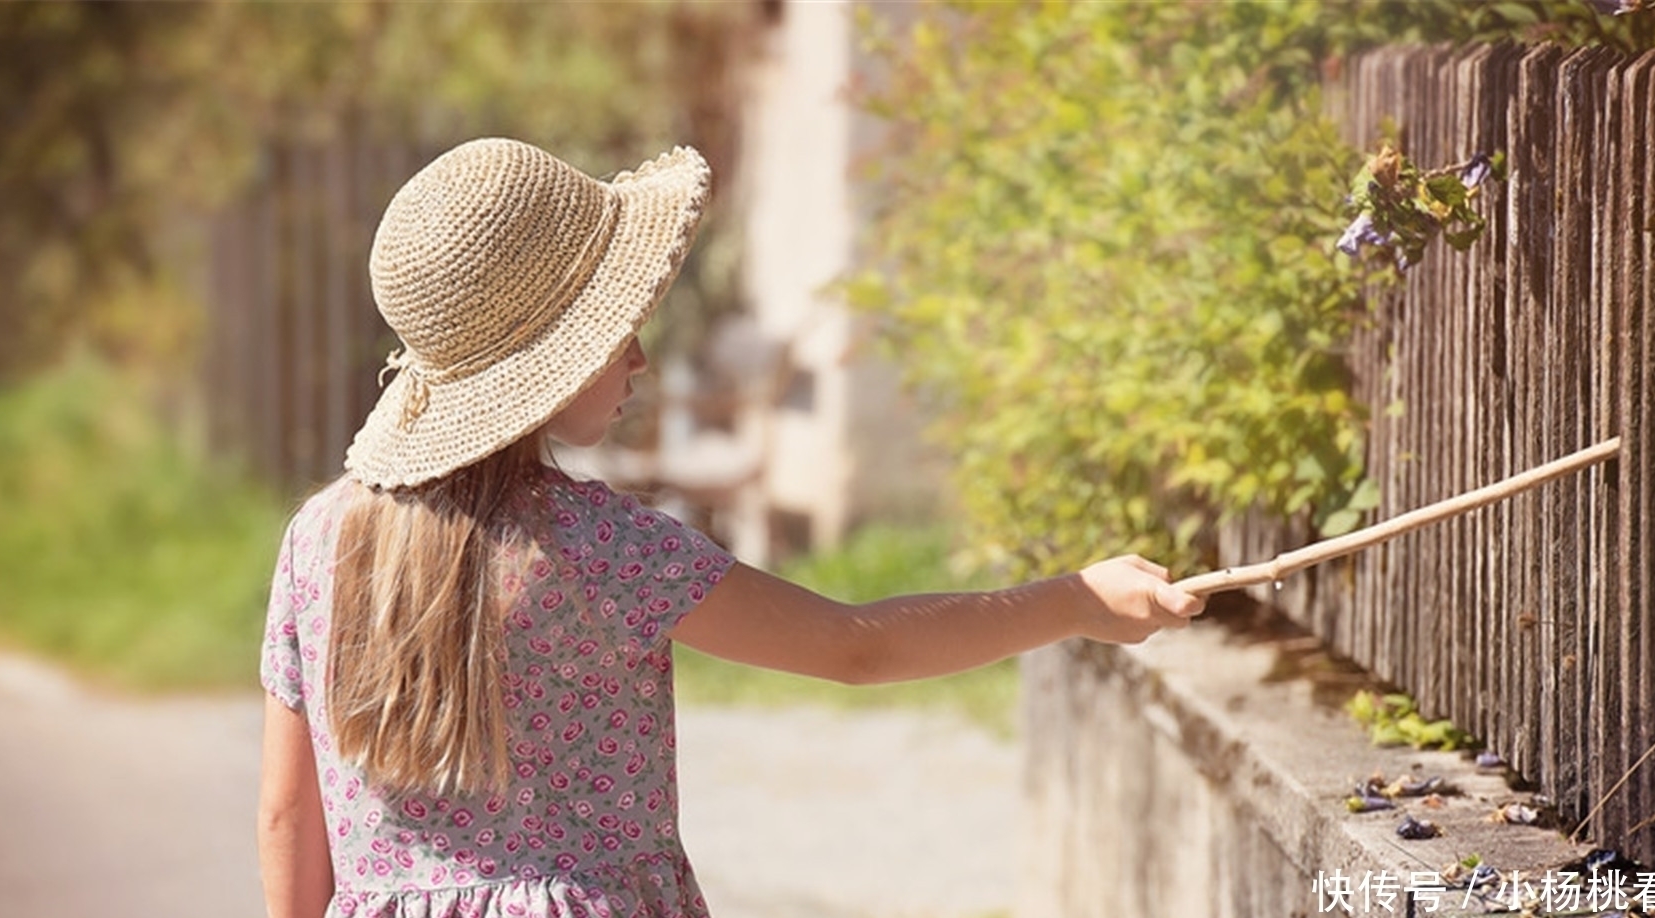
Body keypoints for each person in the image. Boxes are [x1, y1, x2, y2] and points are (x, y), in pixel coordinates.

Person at [256, 137, 1205, 918]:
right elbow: (853, 650)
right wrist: (1074, 600)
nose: (639, 356)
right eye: (611, 330)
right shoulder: (603, 549)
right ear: (546, 364)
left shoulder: (315, 542)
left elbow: (286, 816)